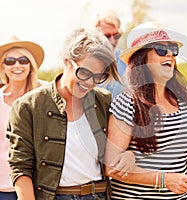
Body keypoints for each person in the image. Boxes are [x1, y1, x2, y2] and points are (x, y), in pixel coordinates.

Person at [104, 21, 187, 200]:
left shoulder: (183, 101)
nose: (169, 54)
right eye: (161, 49)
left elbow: (179, 151)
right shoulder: (127, 103)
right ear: (141, 57)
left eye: (172, 50)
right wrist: (164, 180)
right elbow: (112, 167)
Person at [6, 27, 120, 200]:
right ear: (67, 61)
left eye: (98, 77)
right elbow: (21, 167)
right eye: (84, 73)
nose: (90, 82)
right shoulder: (28, 106)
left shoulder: (104, 101)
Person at [0, 36, 45, 200]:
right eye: (10, 61)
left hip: (37, 185)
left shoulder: (45, 95)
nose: (17, 65)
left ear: (30, 65)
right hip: (2, 186)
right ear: (3, 67)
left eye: (23, 60)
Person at [93, 9, 127, 98]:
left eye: (116, 36)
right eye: (107, 36)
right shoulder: (84, 62)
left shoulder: (128, 61)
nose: (112, 41)